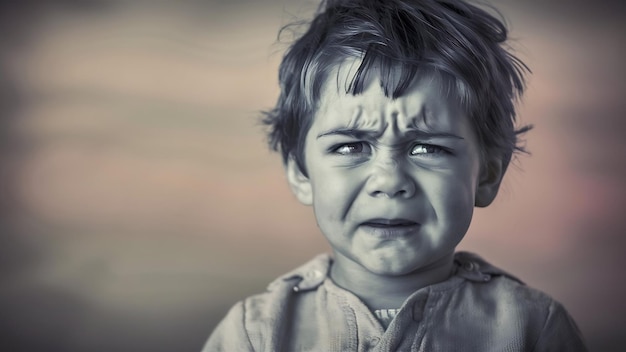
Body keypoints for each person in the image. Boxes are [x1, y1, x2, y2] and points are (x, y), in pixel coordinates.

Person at [202, 0, 588, 350]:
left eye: (428, 148)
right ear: (300, 172)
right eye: (351, 147)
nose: (389, 181)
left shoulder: (532, 330)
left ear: (487, 174)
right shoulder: (256, 334)